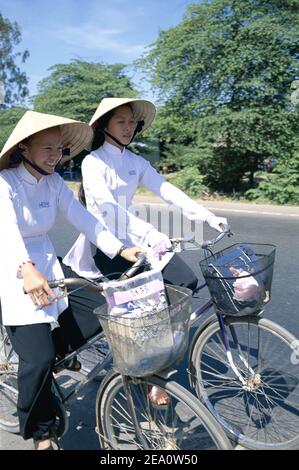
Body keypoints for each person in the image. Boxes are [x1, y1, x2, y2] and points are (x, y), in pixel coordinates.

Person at [63, 98, 229, 406]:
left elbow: (167, 190)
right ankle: (153, 374)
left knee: (184, 283)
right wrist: (150, 233)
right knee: (144, 305)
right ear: (104, 126)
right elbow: (108, 209)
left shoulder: (135, 162)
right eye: (120, 122)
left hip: (137, 235)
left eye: (131, 123)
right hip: (108, 243)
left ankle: (153, 358)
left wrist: (205, 215)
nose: (128, 129)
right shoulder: (93, 162)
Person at [0, 110, 140, 450]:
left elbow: (85, 219)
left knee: (99, 306)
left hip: (48, 265)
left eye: (59, 148)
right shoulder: (5, 183)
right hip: (12, 266)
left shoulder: (53, 182)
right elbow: (6, 230)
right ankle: (40, 432)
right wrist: (25, 267)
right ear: (23, 149)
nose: (55, 155)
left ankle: (55, 355)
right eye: (46, 148)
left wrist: (122, 250)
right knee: (38, 361)